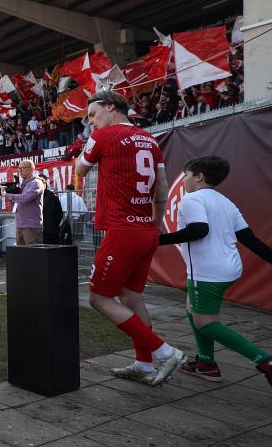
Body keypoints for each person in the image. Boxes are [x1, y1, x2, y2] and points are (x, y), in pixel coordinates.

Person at [76, 89, 186, 386]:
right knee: (131, 297)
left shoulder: (104, 137)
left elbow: (80, 168)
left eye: (93, 116)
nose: (91, 123)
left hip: (123, 229)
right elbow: (162, 191)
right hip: (147, 229)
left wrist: (88, 144)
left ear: (112, 107)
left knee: (99, 298)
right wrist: (153, 222)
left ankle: (164, 351)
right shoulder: (151, 140)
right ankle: (143, 363)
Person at [157, 156, 271, 387]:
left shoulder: (191, 199)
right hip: (228, 268)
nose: (185, 181)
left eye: (187, 175)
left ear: (199, 176)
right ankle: (207, 364)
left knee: (206, 323)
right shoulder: (226, 202)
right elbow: (249, 239)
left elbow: (199, 230)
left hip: (207, 272)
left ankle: (265, 361)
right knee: (192, 308)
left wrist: (157, 240)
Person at [4, 160, 44, 245]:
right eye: (19, 169)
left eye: (23, 168)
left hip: (31, 226)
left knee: (33, 255)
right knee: (21, 255)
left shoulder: (36, 182)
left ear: (31, 169)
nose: (20, 171)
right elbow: (20, 202)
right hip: (21, 224)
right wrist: (12, 198)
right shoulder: (24, 184)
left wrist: (8, 195)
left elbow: (26, 197)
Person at [40, 176, 63, 245]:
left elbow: (59, 214)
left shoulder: (51, 197)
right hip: (38, 231)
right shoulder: (34, 196)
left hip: (49, 231)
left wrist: (52, 226)